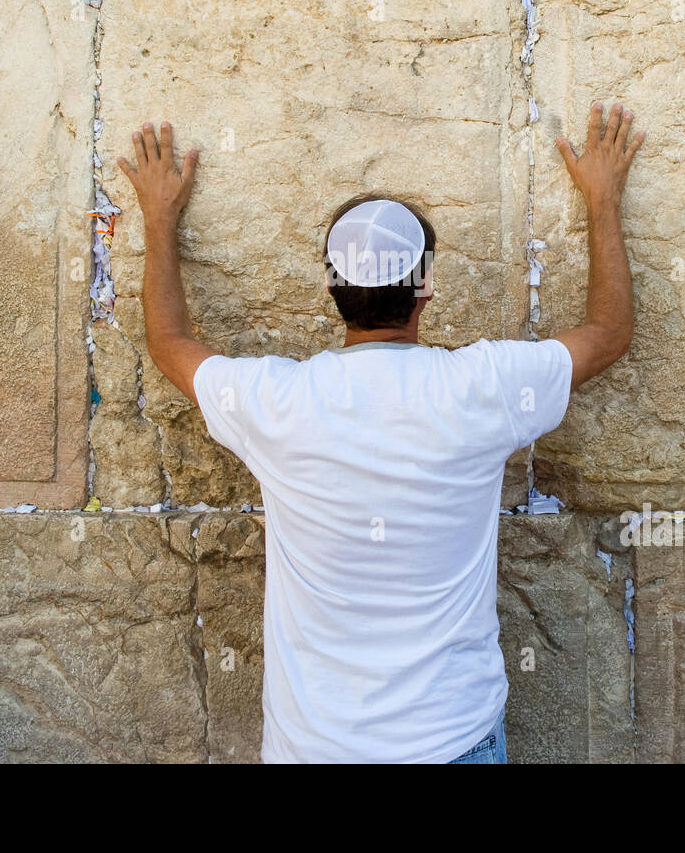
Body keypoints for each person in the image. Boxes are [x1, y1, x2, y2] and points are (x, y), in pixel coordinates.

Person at [115, 101, 645, 763]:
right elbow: (608, 332)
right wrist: (602, 197)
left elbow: (169, 343)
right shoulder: (484, 389)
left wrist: (159, 217)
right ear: (425, 289)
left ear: (332, 290)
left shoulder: (277, 402)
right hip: (452, 740)